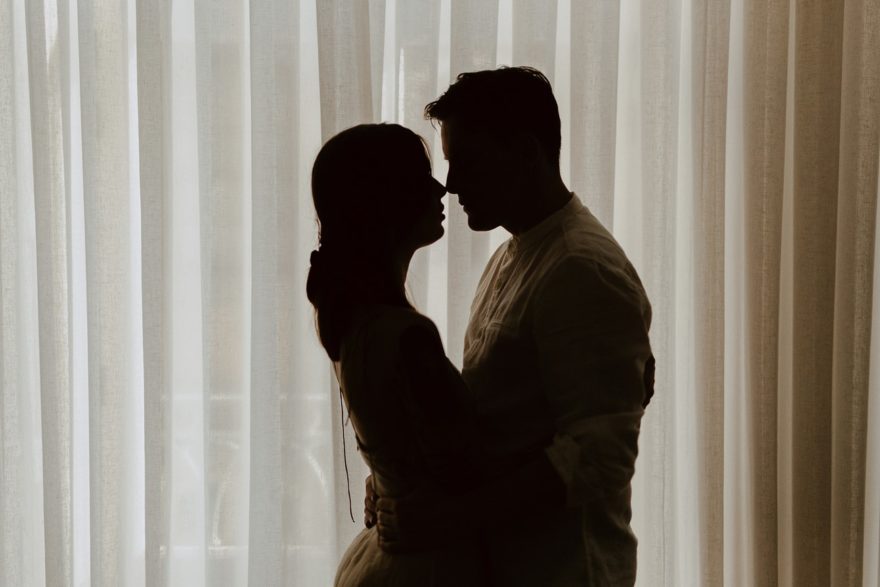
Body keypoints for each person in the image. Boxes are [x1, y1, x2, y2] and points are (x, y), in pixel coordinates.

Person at [365, 66, 655, 585]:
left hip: (564, 570)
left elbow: (598, 455)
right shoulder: (511, 256)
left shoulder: (580, 269)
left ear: (525, 152)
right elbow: (494, 420)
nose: (451, 185)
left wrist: (448, 517)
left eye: (467, 162)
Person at [307, 123, 498, 585]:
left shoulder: (354, 318)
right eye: (421, 177)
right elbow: (468, 468)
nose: (441, 189)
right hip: (423, 565)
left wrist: (388, 483)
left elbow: (405, 448)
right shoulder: (406, 335)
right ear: (384, 200)